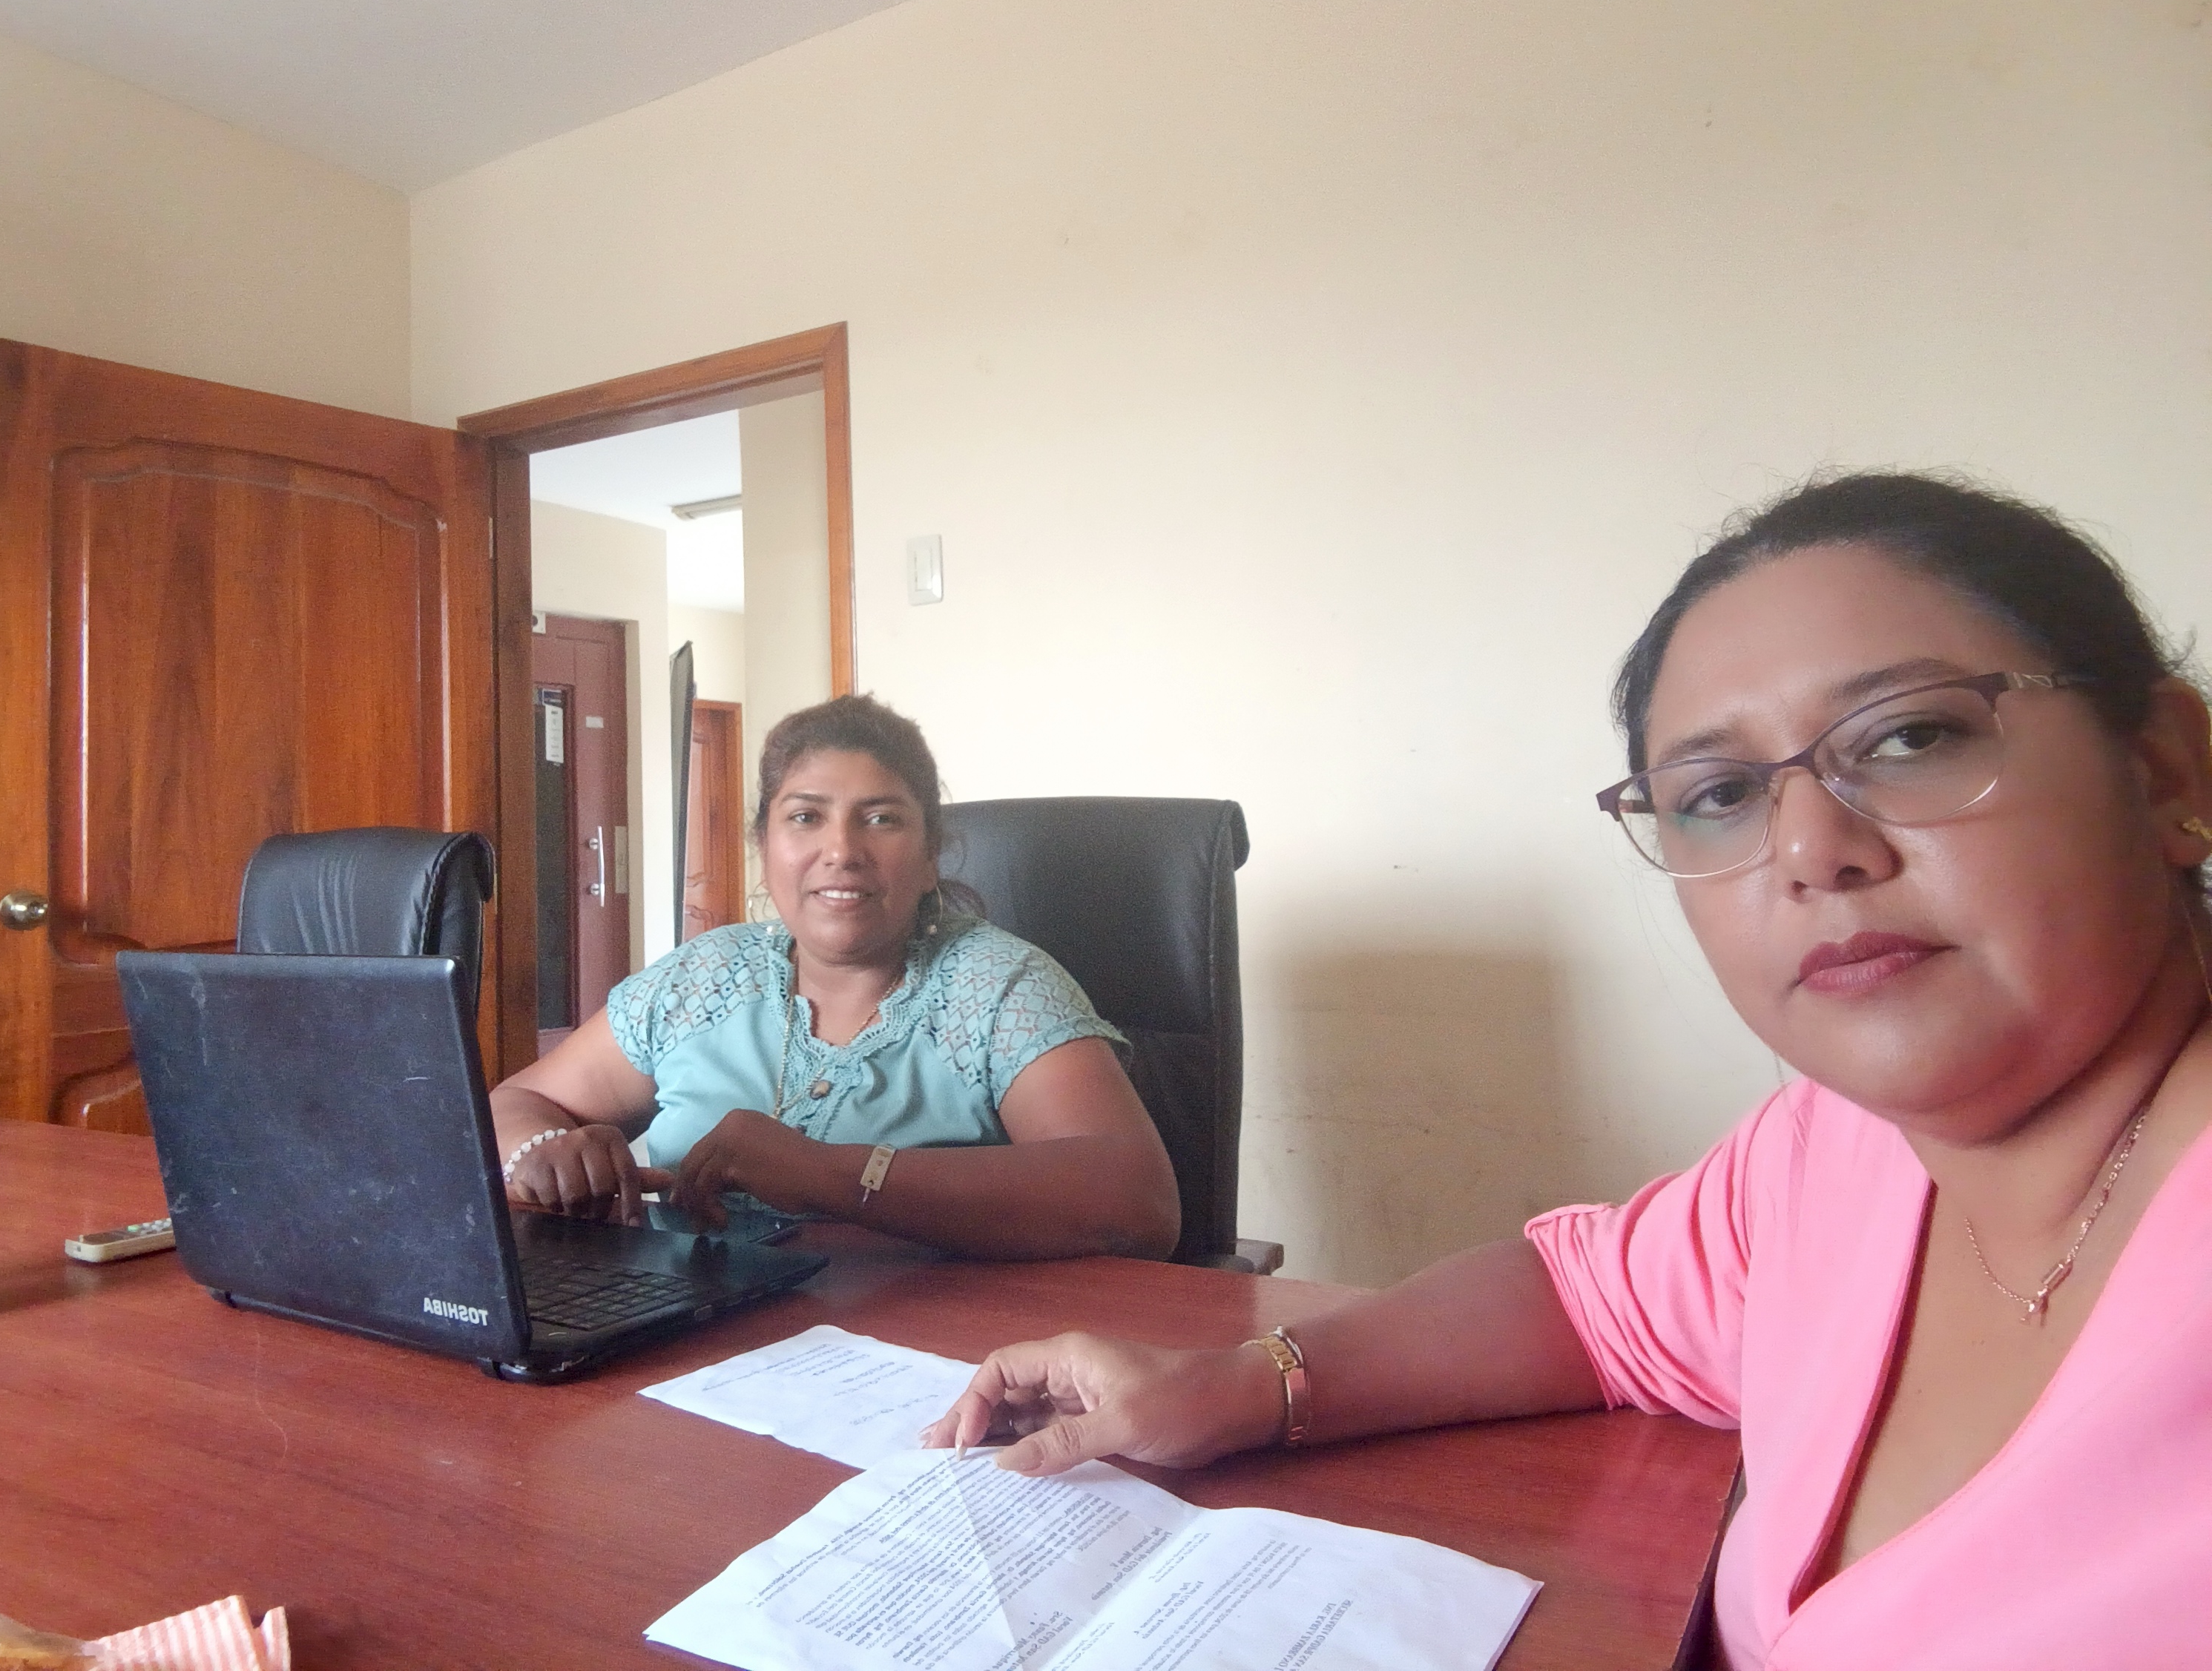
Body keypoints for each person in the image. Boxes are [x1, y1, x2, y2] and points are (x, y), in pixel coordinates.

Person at [929, 473, 2212, 1668]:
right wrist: (1231, 1385)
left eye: (1908, 735)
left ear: (2165, 771)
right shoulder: (1835, 1148)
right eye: (1720, 793)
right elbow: (1583, 1295)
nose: (1809, 848)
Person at [491, 693, 1181, 1261]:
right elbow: (514, 1103)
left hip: (928, 1345)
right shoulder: (705, 975)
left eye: (880, 819)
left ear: (931, 855)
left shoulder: (999, 987)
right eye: (805, 817)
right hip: (687, 1332)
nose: (842, 850)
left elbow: (1138, 1202)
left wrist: (827, 1173)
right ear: (765, 847)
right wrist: (544, 1151)